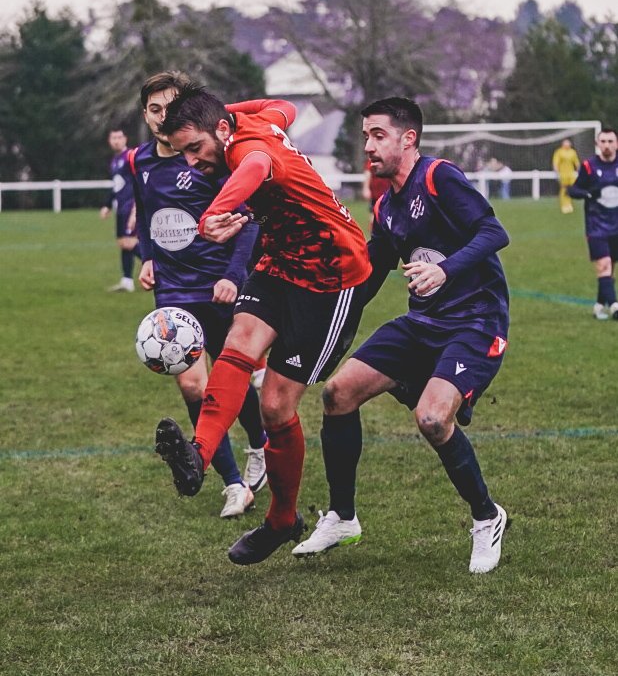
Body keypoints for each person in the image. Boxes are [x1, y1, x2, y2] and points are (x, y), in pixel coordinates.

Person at [153, 87, 371, 564]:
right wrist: (227, 111)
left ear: (222, 132)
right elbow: (285, 108)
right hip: (279, 262)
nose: (191, 163)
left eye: (195, 148)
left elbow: (253, 168)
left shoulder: (250, 150)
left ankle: (282, 518)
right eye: (182, 152)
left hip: (331, 278)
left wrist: (216, 212)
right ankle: (199, 455)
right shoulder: (246, 122)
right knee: (236, 345)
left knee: (274, 406)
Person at [293, 97, 510, 574]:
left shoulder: (438, 178)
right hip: (423, 322)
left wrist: (446, 271)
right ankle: (342, 517)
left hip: (475, 320)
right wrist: (326, 317)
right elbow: (369, 275)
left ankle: (486, 516)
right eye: (365, 135)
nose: (367, 145)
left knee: (432, 420)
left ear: (408, 139)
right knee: (338, 392)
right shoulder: (386, 205)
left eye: (377, 135)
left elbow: (493, 232)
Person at [129, 72, 268, 518]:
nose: (161, 116)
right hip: (173, 290)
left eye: (168, 107)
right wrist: (147, 258)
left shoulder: (212, 158)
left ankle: (260, 446)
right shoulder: (139, 162)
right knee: (193, 384)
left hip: (218, 287)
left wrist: (233, 274)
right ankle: (233, 483)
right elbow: (147, 215)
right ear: (145, 115)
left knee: (233, 380)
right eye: (153, 109)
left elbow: (250, 221)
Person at [568, 127, 618, 320]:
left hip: (616, 225)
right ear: (598, 144)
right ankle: (614, 307)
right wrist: (589, 193)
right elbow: (573, 191)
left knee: (609, 267)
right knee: (603, 264)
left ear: (616, 144)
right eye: (603, 141)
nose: (606, 145)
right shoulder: (589, 166)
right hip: (596, 226)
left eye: (610, 141)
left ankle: (599, 306)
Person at [100, 127, 140, 292]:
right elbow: (116, 186)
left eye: (119, 137)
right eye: (113, 137)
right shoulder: (115, 160)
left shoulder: (130, 157)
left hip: (130, 206)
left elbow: (139, 183)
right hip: (121, 208)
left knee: (130, 243)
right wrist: (108, 205)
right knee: (123, 243)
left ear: (125, 139)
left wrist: (136, 209)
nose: (116, 140)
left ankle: (161, 269)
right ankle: (127, 280)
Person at [552, 138, 580, 214]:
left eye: (568, 143)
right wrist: (556, 171)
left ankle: (569, 204)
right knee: (564, 189)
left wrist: (578, 169)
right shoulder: (559, 152)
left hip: (571, 173)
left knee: (571, 189)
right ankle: (564, 205)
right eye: (566, 143)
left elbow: (576, 162)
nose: (567, 144)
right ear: (563, 144)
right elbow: (555, 162)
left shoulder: (572, 152)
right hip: (563, 174)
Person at [361, 158, 390, 227]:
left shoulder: (390, 157)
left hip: (389, 193)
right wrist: (366, 188)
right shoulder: (374, 158)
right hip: (377, 194)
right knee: (374, 214)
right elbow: (368, 173)